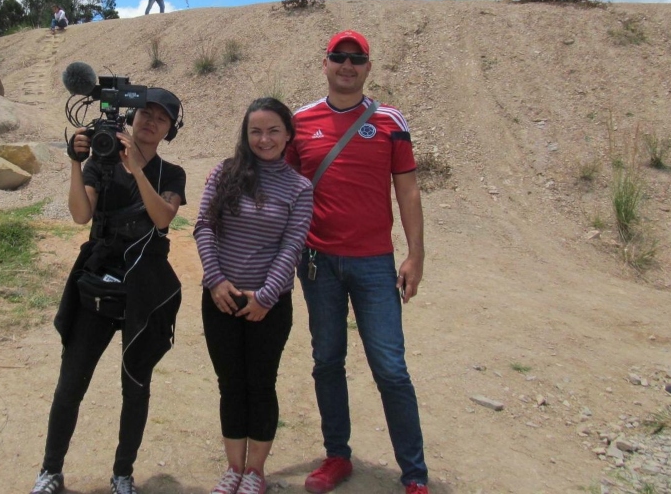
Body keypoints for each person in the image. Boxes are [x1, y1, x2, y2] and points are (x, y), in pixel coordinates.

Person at [286, 30, 429, 494]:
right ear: (324, 63)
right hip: (316, 261)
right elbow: (283, 189)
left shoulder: (389, 120)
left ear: (368, 67)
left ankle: (414, 475)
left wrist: (415, 254)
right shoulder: (300, 121)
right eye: (339, 57)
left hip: (373, 262)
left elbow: (406, 189)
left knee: (390, 367)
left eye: (357, 59)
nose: (347, 66)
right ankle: (337, 456)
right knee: (327, 360)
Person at [29, 89, 187, 494]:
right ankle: (50, 471)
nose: (151, 122)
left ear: (170, 129)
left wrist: (135, 168)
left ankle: (122, 474)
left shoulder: (172, 174)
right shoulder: (101, 162)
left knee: (135, 385)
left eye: (161, 118)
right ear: (132, 117)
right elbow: (81, 214)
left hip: (145, 285)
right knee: (71, 382)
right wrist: (75, 163)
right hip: (99, 279)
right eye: (145, 114)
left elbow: (162, 219)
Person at [194, 98, 314, 494]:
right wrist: (215, 281)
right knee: (229, 383)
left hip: (269, 306)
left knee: (261, 384)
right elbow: (204, 227)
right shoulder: (224, 173)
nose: (264, 139)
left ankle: (255, 473)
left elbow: (291, 246)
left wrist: (265, 296)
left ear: (288, 135)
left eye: (273, 130)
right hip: (221, 300)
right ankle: (233, 468)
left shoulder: (299, 187)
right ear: (245, 135)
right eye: (255, 131)